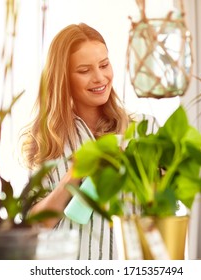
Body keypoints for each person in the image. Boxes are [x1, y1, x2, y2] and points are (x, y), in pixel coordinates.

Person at [21, 23, 157, 260]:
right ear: (64, 78)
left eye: (104, 65)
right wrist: (73, 175)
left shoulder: (144, 129)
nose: (99, 77)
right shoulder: (46, 140)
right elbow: (35, 225)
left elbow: (165, 209)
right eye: (84, 70)